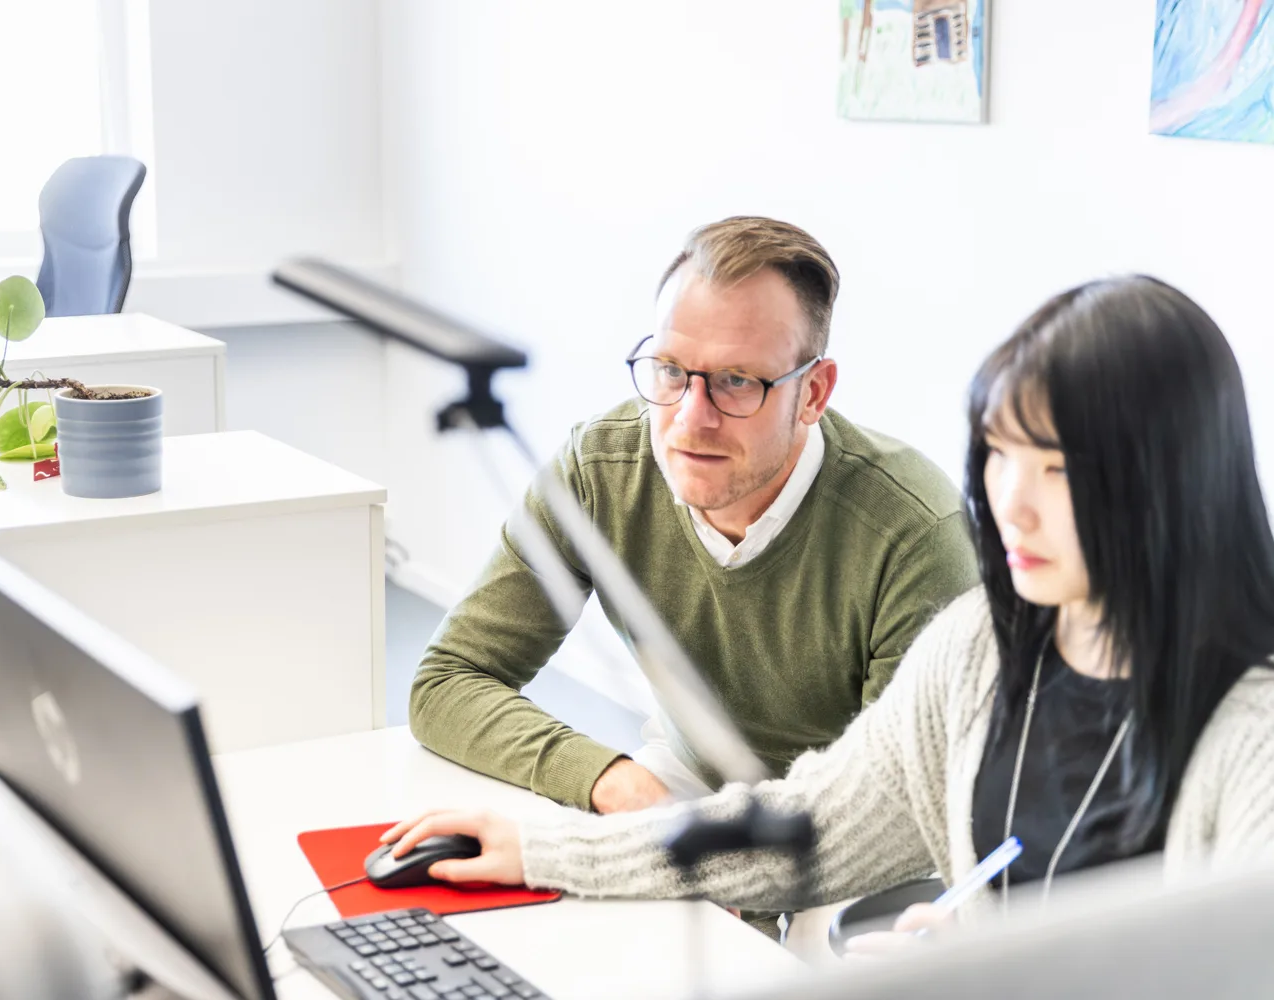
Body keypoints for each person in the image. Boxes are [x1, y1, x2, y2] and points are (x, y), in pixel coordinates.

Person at [384, 276, 1274, 930]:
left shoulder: (1254, 735)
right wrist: (542, 850)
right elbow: (812, 828)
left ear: (1176, 483)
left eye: (1060, 469)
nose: (1013, 503)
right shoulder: (984, 648)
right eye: (1000, 454)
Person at [408, 216, 979, 816]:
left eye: (736, 381)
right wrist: (611, 780)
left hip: (858, 828)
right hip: (689, 777)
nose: (690, 418)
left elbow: (890, 808)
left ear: (813, 393)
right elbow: (448, 680)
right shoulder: (601, 470)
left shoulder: (914, 533)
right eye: (672, 370)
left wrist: (715, 884)